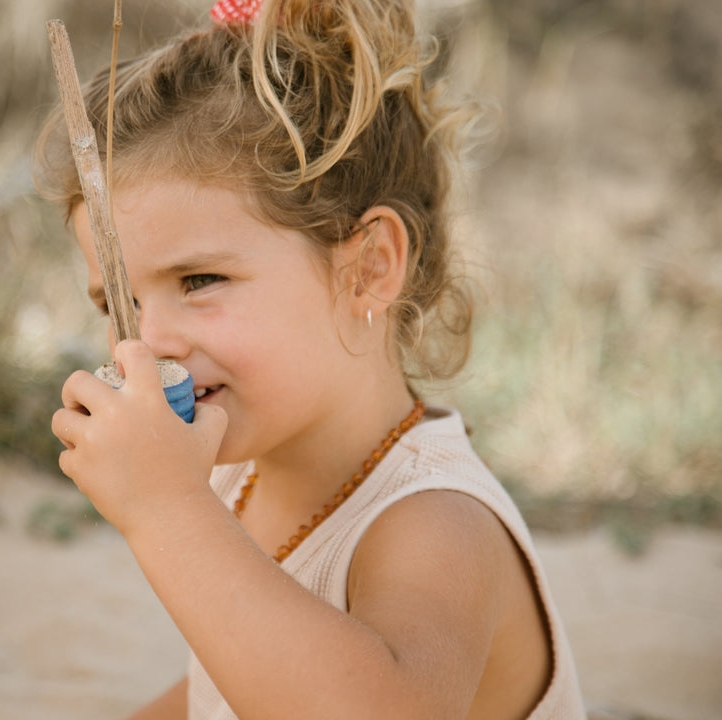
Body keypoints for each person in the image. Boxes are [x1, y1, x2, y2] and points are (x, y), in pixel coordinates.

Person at [36, 0, 585, 717]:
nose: (144, 343)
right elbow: (231, 684)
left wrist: (168, 510)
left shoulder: (436, 521)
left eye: (199, 281)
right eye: (117, 305)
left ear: (369, 269)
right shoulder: (239, 468)